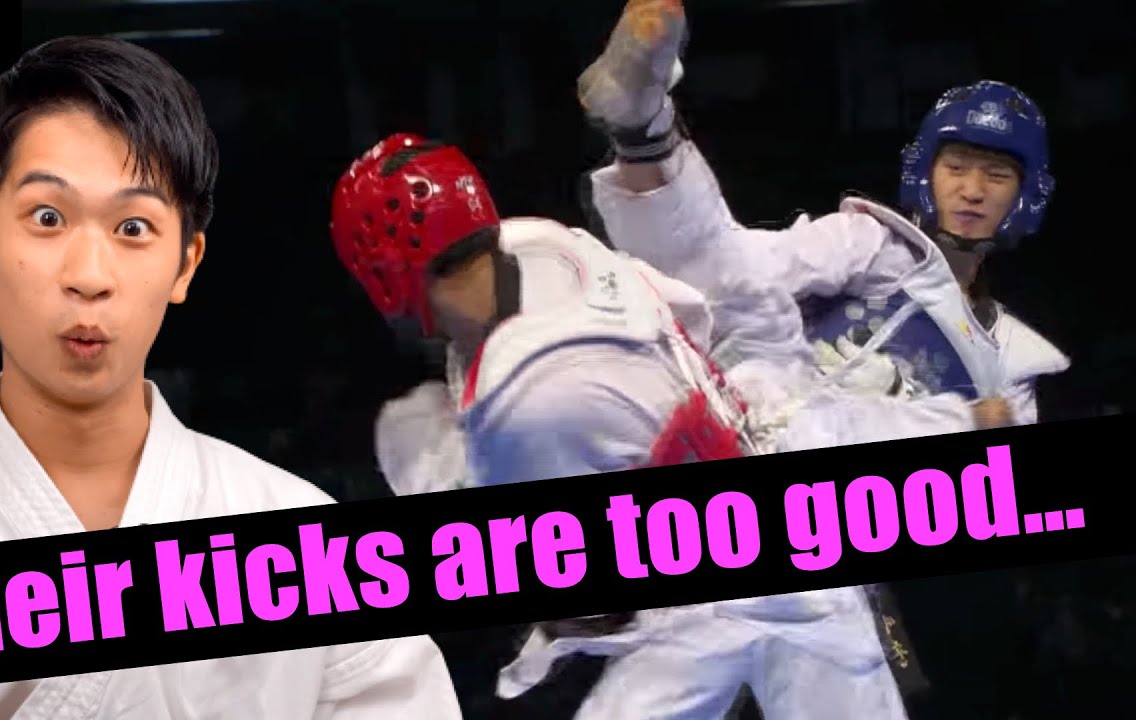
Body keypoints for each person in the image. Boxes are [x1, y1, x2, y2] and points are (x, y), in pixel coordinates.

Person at [0, 36, 461, 719]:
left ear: (185, 263)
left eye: (133, 227)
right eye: (47, 217)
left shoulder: (310, 549)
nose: (89, 276)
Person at [333, 131, 1021, 719]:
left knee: (410, 436)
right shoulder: (549, 247)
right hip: (759, 464)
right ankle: (956, 424)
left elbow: (583, 602)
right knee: (786, 417)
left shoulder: (518, 413)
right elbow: (693, 312)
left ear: (384, 274)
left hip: (713, 589)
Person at [579, 0, 1069, 429]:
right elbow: (745, 269)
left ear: (1024, 196)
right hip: (749, 396)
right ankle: (642, 126)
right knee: (731, 273)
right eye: (956, 169)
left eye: (996, 177)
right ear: (925, 174)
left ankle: (644, 135)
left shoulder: (1015, 363)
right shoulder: (870, 242)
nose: (973, 191)